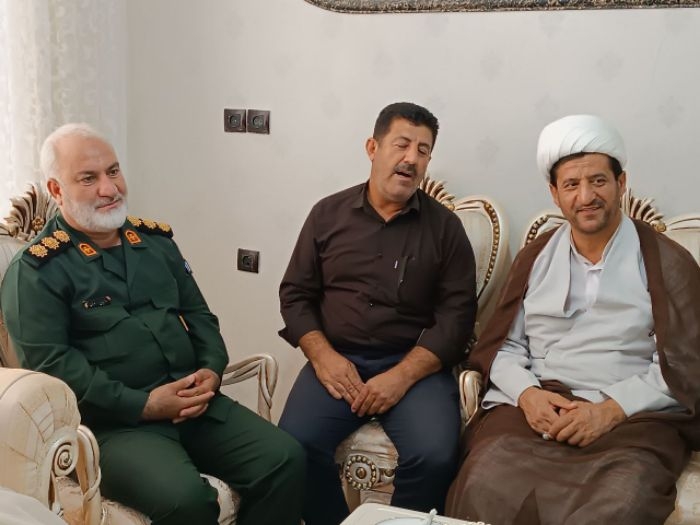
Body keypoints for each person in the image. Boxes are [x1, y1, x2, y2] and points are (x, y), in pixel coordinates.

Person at [0, 123, 305, 525]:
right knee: (186, 501)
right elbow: (53, 369)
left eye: (113, 171)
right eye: (88, 178)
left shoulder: (155, 243)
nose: (109, 188)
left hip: (193, 402)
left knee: (285, 459)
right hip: (114, 425)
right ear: (57, 190)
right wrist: (144, 405)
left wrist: (211, 371)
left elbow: (200, 317)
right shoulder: (37, 270)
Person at [446, 114, 700, 525]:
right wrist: (528, 396)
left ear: (621, 183)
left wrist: (610, 410)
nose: (586, 196)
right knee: (482, 482)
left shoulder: (667, 261)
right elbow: (504, 347)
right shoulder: (535, 257)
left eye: (598, 181)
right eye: (571, 185)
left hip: (630, 417)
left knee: (623, 501)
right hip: (538, 407)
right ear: (554, 193)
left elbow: (682, 367)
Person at [277, 102, 477, 525]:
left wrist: (401, 376)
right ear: (373, 147)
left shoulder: (446, 229)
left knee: (434, 455)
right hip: (337, 359)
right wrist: (323, 357)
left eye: (423, 150)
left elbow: (457, 318)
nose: (411, 158)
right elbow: (295, 295)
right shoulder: (326, 215)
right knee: (293, 445)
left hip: (415, 367)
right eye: (402, 144)